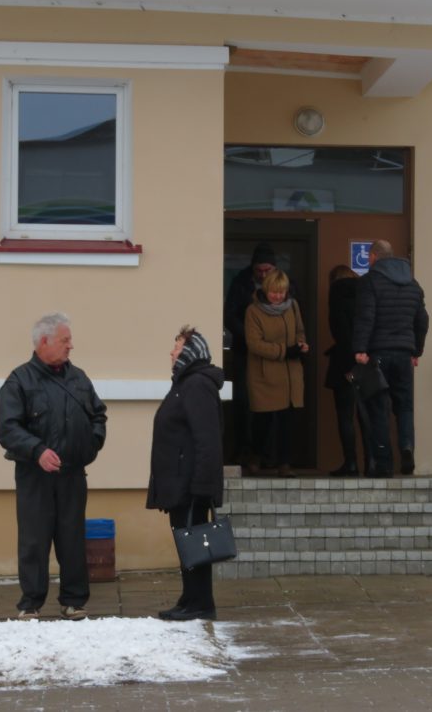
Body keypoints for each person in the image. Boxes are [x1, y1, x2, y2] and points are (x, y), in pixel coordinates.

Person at [0, 313, 107, 620]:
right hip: (34, 476)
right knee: (34, 539)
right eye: (65, 340)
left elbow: (99, 415)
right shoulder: (19, 381)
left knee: (72, 538)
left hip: (73, 474)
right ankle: (31, 603)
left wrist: (91, 444)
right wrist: (38, 451)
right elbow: (7, 429)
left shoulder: (79, 378)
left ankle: (74, 601)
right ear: (44, 341)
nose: (71, 346)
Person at [146, 326, 224, 621]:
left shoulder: (196, 385)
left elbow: (207, 438)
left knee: (195, 542)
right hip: (181, 481)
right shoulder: (186, 383)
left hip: (191, 484)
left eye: (177, 347)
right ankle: (191, 598)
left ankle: (201, 602)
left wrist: (202, 485)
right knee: (187, 541)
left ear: (189, 353)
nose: (172, 352)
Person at [352, 240, 429, 477]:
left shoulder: (370, 281)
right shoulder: (413, 284)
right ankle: (406, 447)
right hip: (404, 355)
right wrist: (416, 351)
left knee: (378, 408)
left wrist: (360, 349)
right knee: (404, 406)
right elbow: (422, 320)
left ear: (373, 257)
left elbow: (366, 316)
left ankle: (384, 463)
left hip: (378, 354)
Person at [245, 269, 309, 477]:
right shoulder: (253, 311)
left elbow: (300, 330)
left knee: (287, 421)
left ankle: (284, 463)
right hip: (264, 375)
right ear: (266, 290)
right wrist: (284, 351)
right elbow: (254, 343)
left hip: (290, 373)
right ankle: (256, 457)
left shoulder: (293, 306)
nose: (278, 296)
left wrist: (301, 344)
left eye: (282, 292)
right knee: (263, 420)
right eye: (274, 292)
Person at [223, 243, 278, 465]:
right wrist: (250, 336)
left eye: (267, 270)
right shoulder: (240, 283)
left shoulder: (285, 285)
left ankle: (264, 451)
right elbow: (229, 315)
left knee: (270, 403)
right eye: (259, 271)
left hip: (272, 355)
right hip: (245, 352)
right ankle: (243, 448)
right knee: (243, 401)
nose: (263, 275)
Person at [325, 264, 369, 477]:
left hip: (345, 363)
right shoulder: (366, 293)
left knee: (345, 416)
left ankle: (351, 463)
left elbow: (340, 331)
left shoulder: (336, 294)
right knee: (366, 414)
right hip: (367, 363)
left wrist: (347, 365)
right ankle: (371, 462)